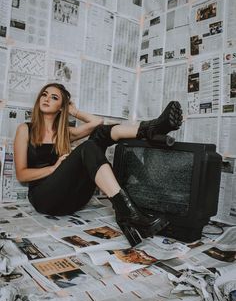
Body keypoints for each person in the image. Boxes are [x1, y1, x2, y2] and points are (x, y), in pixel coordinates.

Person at [14, 83, 183, 246]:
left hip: (73, 200)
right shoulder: (25, 129)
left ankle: (151, 128)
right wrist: (53, 168)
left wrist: (74, 110)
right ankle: (127, 210)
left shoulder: (65, 133)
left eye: (54, 97)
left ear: (61, 107)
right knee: (87, 147)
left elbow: (97, 123)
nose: (46, 99)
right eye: (44, 95)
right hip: (45, 199)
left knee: (100, 134)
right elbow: (21, 174)